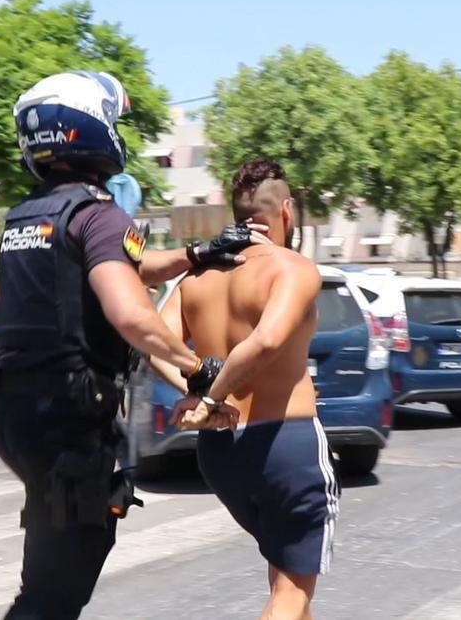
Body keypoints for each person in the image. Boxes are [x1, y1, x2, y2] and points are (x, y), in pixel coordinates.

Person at [0, 70, 266, 620]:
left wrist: (197, 253)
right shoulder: (96, 213)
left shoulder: (29, 216)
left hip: (17, 414)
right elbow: (131, 312)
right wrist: (198, 367)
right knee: (54, 591)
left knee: (49, 567)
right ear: (85, 128)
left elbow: (128, 266)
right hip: (70, 418)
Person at [150, 159, 338, 620]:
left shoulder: (196, 279)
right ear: (287, 212)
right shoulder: (292, 269)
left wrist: (195, 390)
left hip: (221, 455)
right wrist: (212, 395)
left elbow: (151, 341)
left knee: (287, 582)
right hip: (287, 447)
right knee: (292, 594)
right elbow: (268, 340)